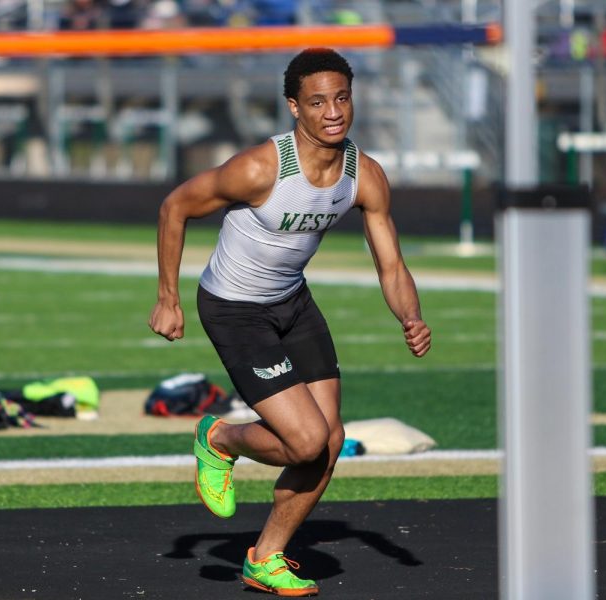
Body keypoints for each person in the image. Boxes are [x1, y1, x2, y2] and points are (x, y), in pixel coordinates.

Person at [148, 48, 431, 596]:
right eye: (318, 101)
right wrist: (168, 298)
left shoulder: (363, 175)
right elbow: (175, 207)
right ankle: (221, 438)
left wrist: (411, 317)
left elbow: (390, 263)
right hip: (234, 308)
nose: (333, 112)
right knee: (304, 441)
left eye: (342, 98)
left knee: (329, 443)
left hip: (293, 303)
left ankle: (266, 558)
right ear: (293, 108)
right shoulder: (260, 168)